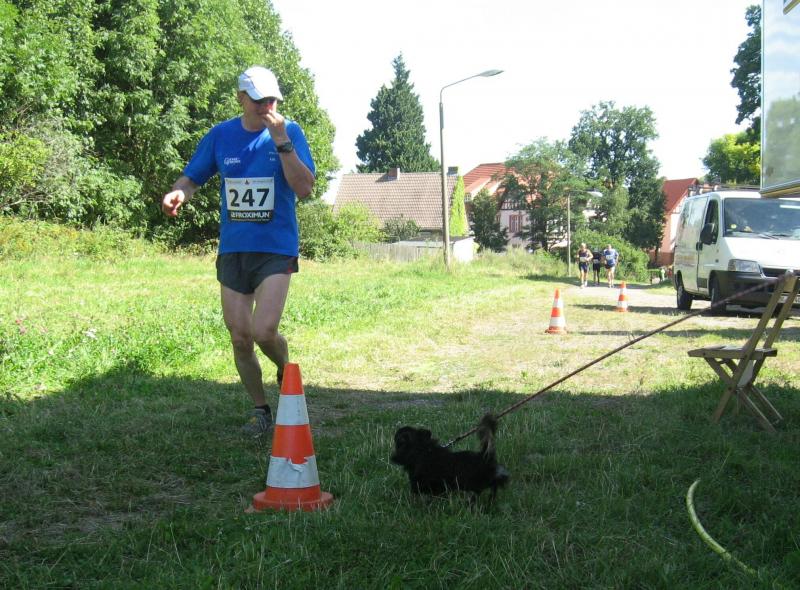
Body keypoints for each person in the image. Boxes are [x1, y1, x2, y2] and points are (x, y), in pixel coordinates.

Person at [162, 66, 316, 437]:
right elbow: (192, 177)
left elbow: (305, 188)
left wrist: (281, 141)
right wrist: (179, 192)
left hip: (275, 248)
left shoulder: (290, 131)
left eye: (272, 99)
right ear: (241, 98)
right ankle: (260, 409)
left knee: (264, 331)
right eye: (259, 99)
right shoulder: (221, 135)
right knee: (240, 337)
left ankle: (285, 367)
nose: (267, 106)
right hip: (234, 249)